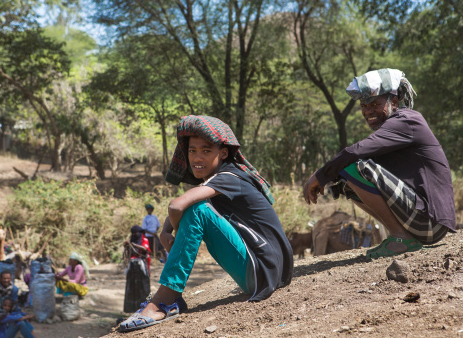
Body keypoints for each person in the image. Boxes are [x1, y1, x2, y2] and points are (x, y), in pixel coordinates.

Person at [119, 115, 293, 332]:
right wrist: (165, 230)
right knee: (197, 208)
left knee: (197, 210)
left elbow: (176, 207)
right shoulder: (219, 179)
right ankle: (172, 297)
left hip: (262, 271)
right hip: (266, 271)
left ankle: (164, 301)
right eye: (192, 150)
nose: (197, 157)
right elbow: (182, 206)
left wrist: (168, 231)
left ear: (223, 153)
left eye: (206, 150)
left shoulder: (230, 176)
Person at [303, 68, 456, 260]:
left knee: (355, 167)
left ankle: (400, 238)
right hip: (423, 223)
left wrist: (319, 176)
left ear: (393, 101)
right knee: (347, 181)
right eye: (363, 106)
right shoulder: (394, 128)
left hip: (431, 222)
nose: (368, 111)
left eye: (374, 104)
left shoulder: (407, 120)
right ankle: (399, 236)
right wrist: (331, 176)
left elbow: (355, 151)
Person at [122, 225, 151, 312]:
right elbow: (128, 254)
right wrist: (127, 246)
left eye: (136, 233)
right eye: (133, 233)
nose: (135, 235)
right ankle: (131, 309)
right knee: (132, 287)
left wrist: (134, 245)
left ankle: (145, 307)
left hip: (141, 265)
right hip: (132, 266)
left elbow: (146, 249)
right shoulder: (132, 240)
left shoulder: (144, 240)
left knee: (143, 287)